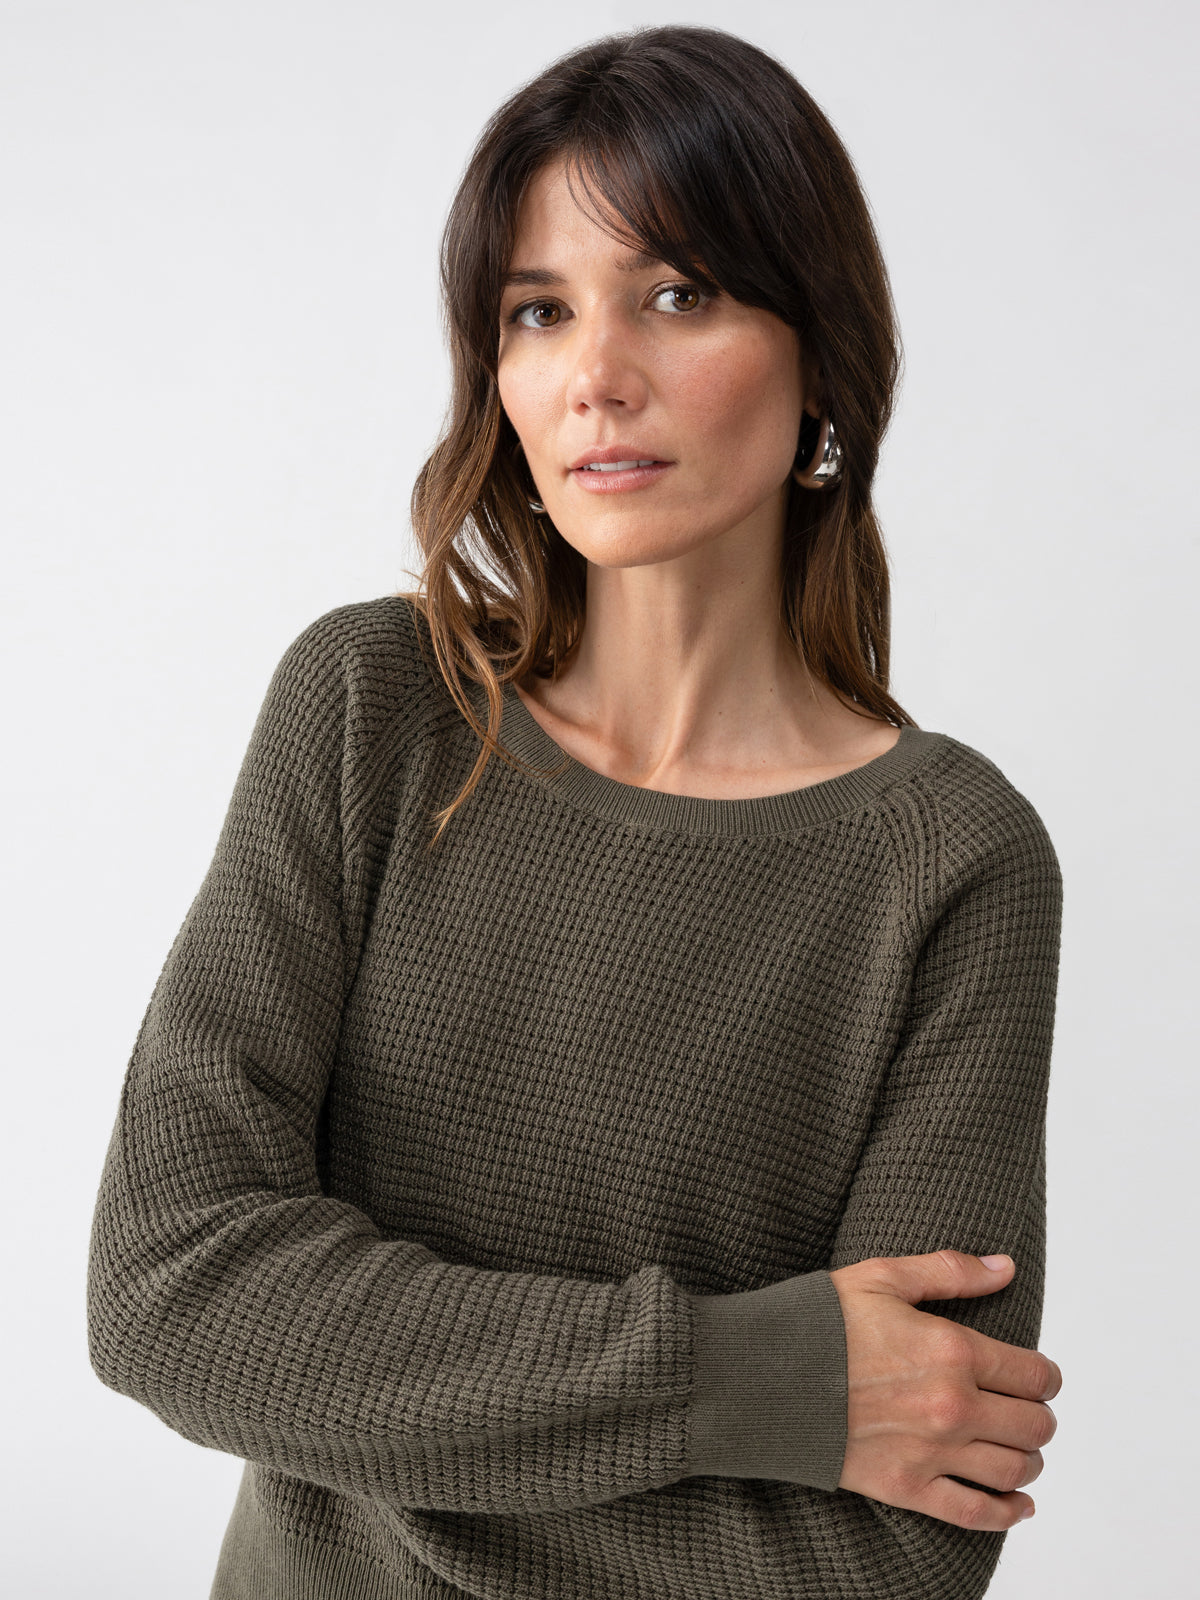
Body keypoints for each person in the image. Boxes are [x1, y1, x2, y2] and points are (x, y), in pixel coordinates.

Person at [86, 24, 1064, 1600]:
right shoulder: (371, 712)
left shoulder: (951, 863)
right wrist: (765, 1384)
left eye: (679, 294)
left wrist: (379, 1403)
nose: (597, 375)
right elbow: (172, 1292)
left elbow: (897, 1543)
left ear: (821, 357)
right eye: (538, 312)